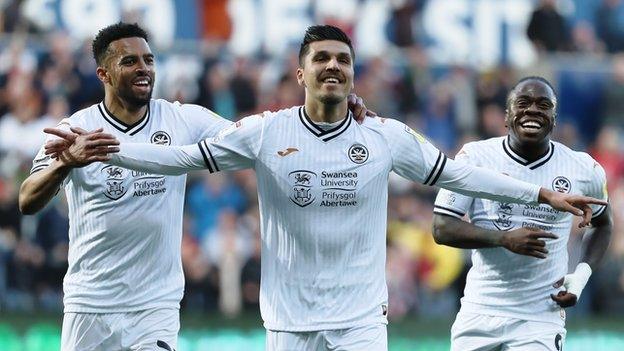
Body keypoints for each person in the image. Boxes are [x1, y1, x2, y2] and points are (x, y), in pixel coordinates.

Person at [44, 26, 605, 351]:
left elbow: (455, 174)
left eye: (342, 59)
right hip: (288, 321)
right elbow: (179, 159)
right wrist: (102, 149)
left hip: (361, 321)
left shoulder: (384, 135)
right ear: (302, 73)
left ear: (353, 74)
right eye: (322, 59)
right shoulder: (266, 133)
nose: (333, 66)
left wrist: (541, 195)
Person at [19, 23, 370, 351]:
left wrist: (336, 104)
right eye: (130, 61)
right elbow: (27, 200)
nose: (144, 68)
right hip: (89, 302)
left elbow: (257, 140)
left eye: (149, 60)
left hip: (155, 305)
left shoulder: (182, 119)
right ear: (104, 74)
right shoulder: (77, 129)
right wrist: (65, 163)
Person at [432, 76, 612, 351]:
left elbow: (603, 224)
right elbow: (442, 227)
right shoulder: (474, 158)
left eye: (543, 104)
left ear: (554, 117)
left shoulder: (584, 169)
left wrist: (582, 274)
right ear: (507, 116)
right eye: (523, 103)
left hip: (540, 317)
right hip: (480, 310)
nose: (533, 110)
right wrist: (504, 239)